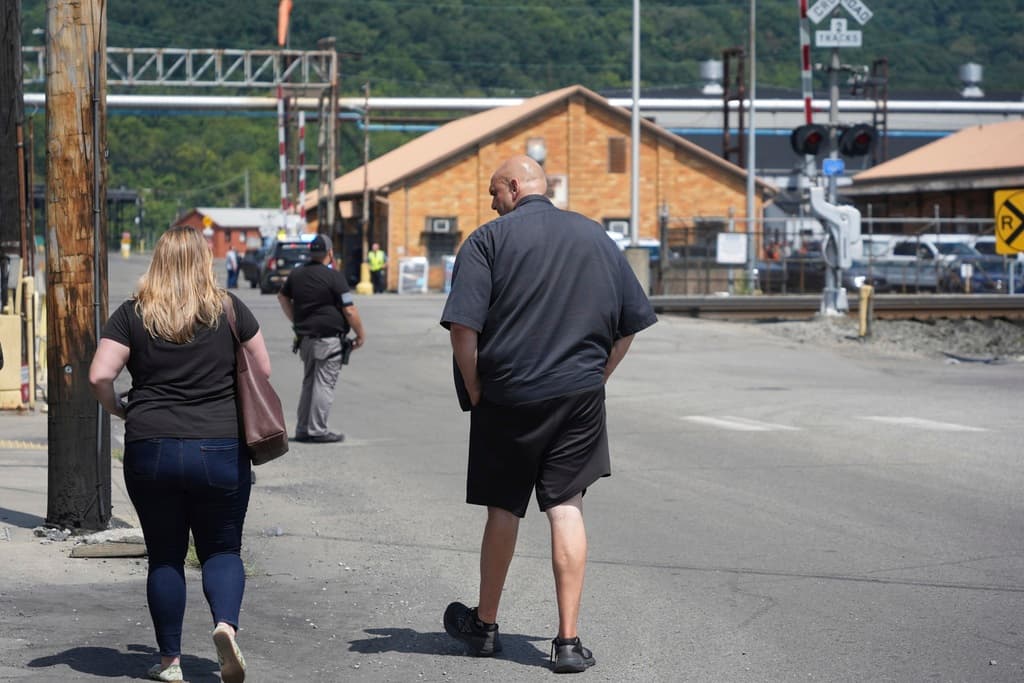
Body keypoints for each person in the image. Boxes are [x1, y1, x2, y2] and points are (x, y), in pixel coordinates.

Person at [439, 156, 657, 674]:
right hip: (578, 395)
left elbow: (462, 329)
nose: (491, 202)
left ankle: (485, 625)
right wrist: (596, 378)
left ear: (515, 186)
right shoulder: (595, 237)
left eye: (494, 191)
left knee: (503, 509)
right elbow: (628, 325)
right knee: (566, 506)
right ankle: (566, 641)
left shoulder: (487, 241)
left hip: (508, 396)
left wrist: (475, 387)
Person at [88, 226, 269, 683]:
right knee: (222, 549)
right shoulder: (229, 310)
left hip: (151, 447)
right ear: (204, 261)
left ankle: (170, 662)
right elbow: (262, 369)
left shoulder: (133, 315)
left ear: (157, 262)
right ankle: (225, 625)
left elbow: (98, 376)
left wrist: (121, 409)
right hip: (220, 447)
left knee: (166, 556)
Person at [277, 234, 366, 443]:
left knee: (310, 382)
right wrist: (361, 334)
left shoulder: (296, 274)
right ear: (330, 253)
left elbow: (282, 297)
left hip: (305, 339)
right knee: (324, 383)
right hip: (328, 340)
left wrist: (296, 320)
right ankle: (317, 430)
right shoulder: (334, 277)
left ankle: (303, 428)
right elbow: (350, 310)